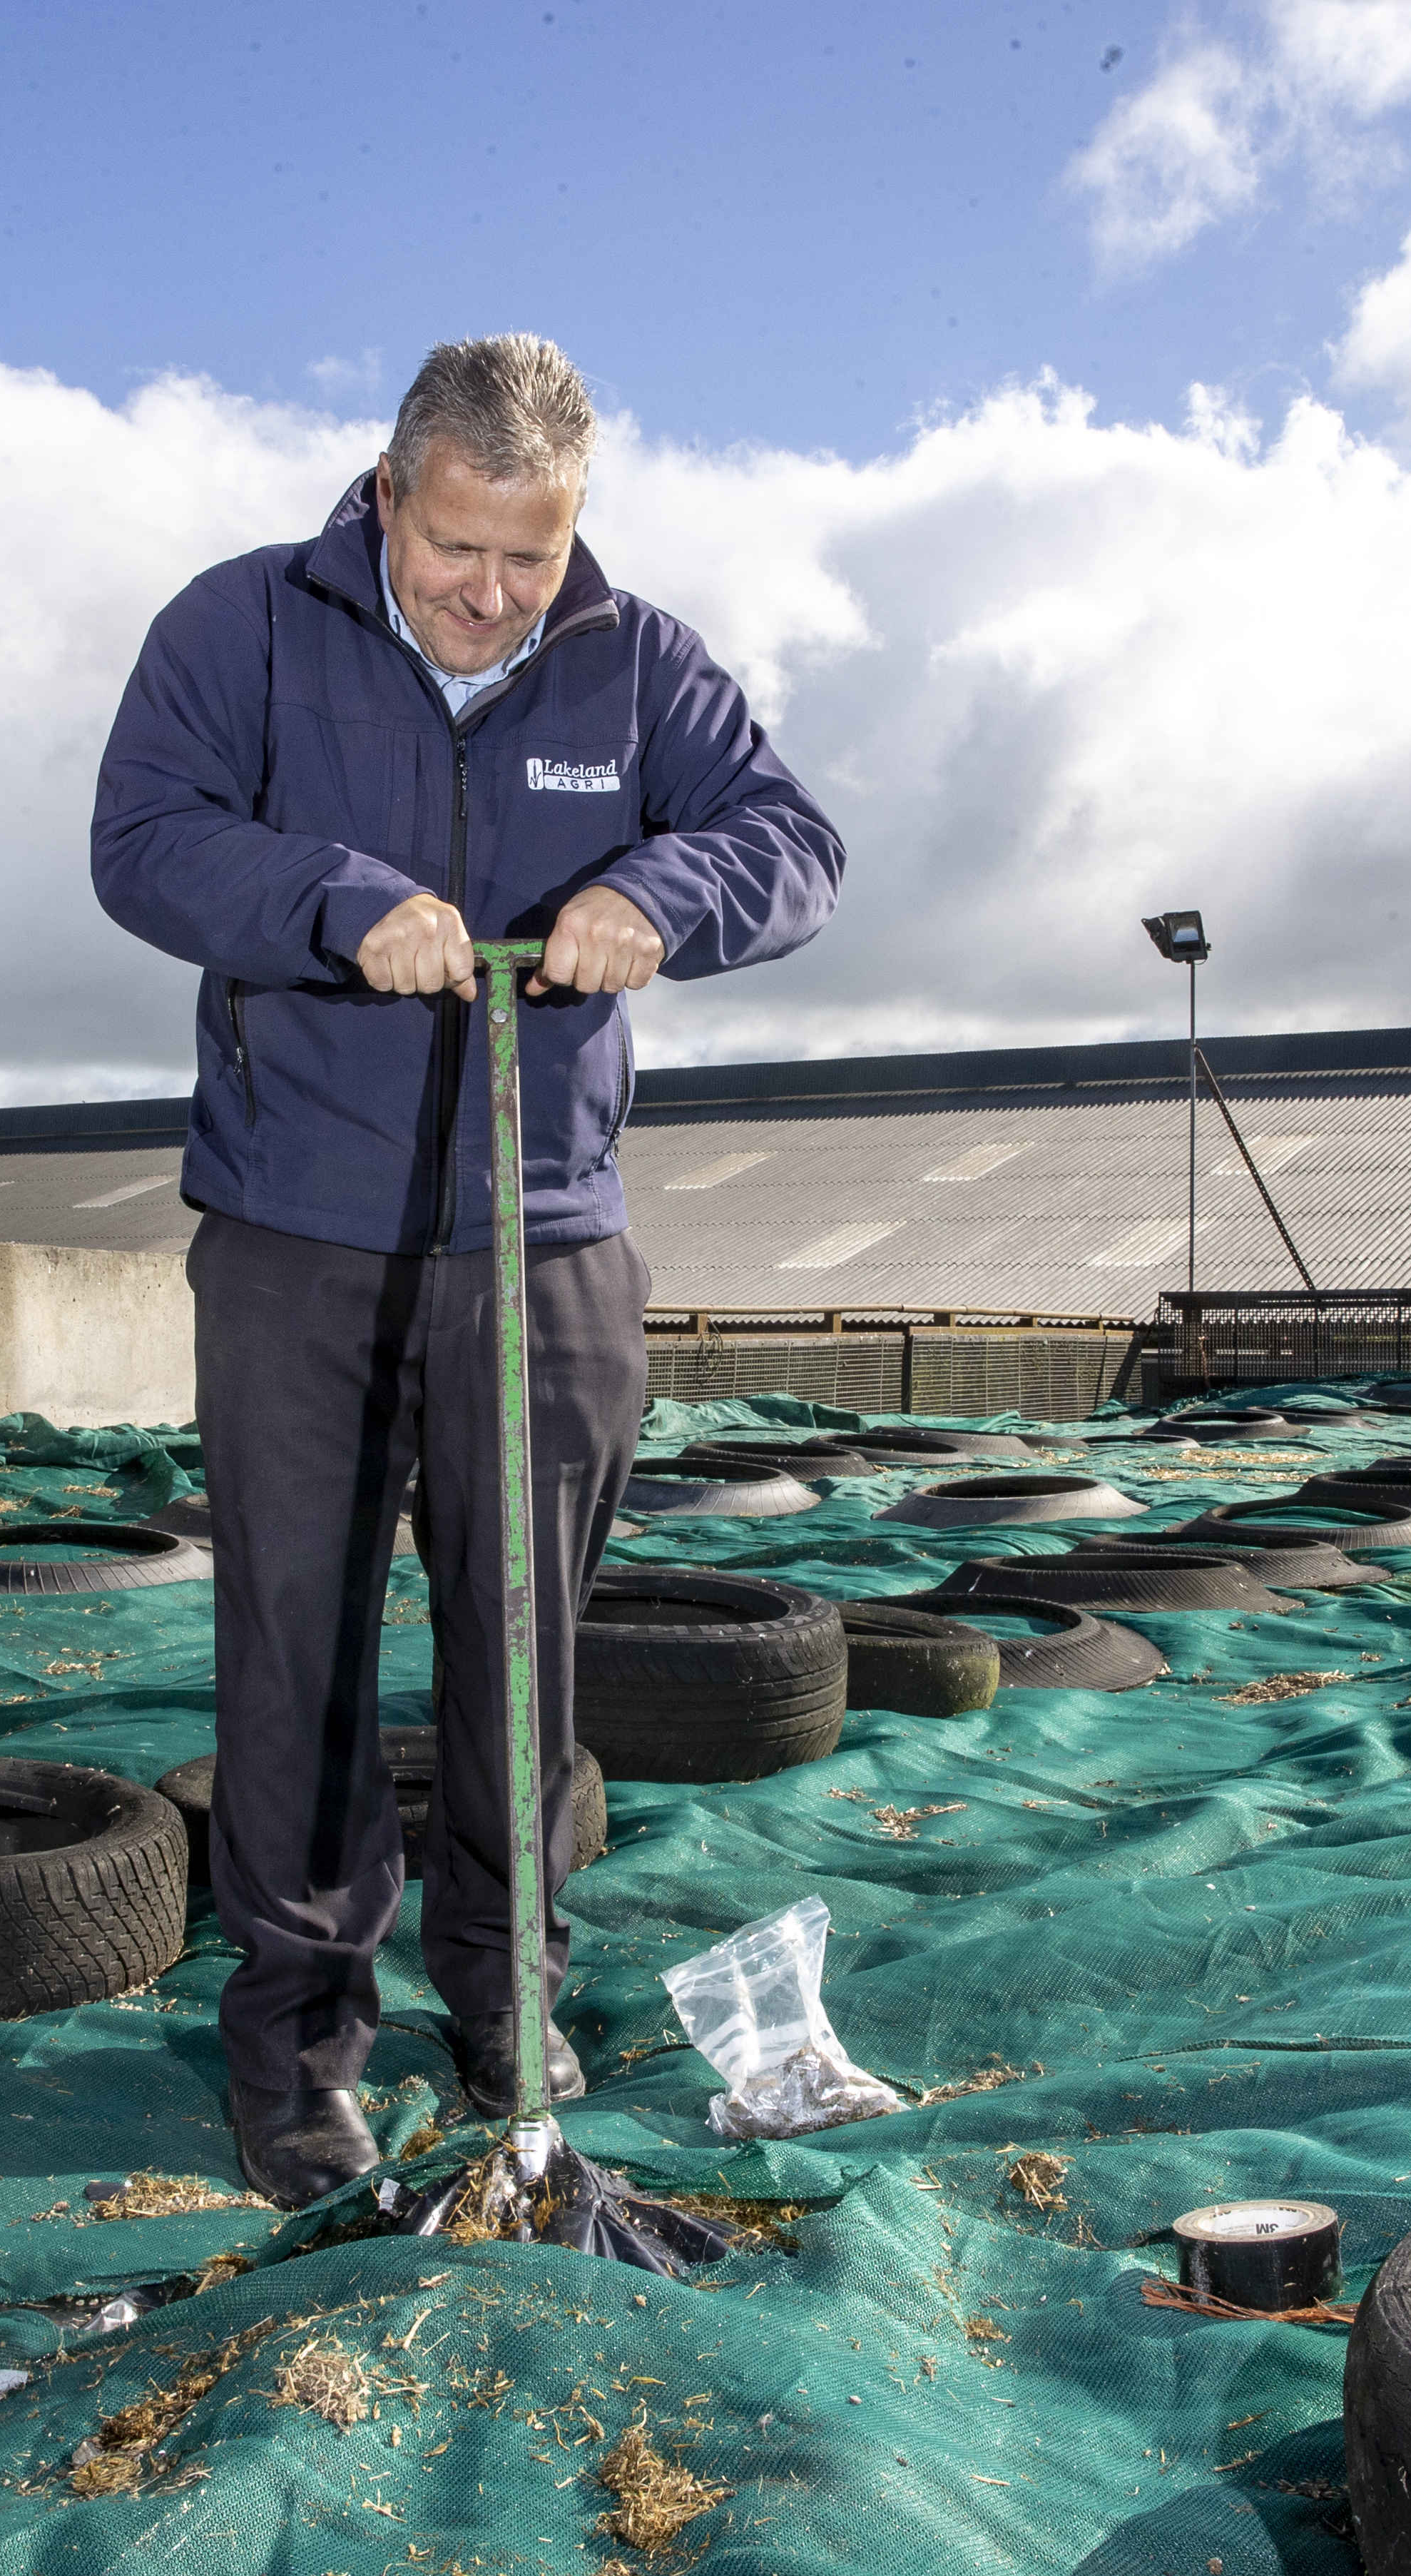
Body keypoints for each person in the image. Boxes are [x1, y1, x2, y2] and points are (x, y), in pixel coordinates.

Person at [91, 335, 844, 2203]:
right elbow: (145, 841)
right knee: (302, 1650)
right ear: (392, 489)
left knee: (527, 1646)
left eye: (534, 557)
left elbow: (795, 843)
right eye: (461, 554)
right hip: (297, 1232)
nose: (496, 595)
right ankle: (298, 2043)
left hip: (548, 1234)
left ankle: (511, 1994)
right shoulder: (243, 629)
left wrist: (660, 896)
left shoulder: (637, 663)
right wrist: (339, 907)